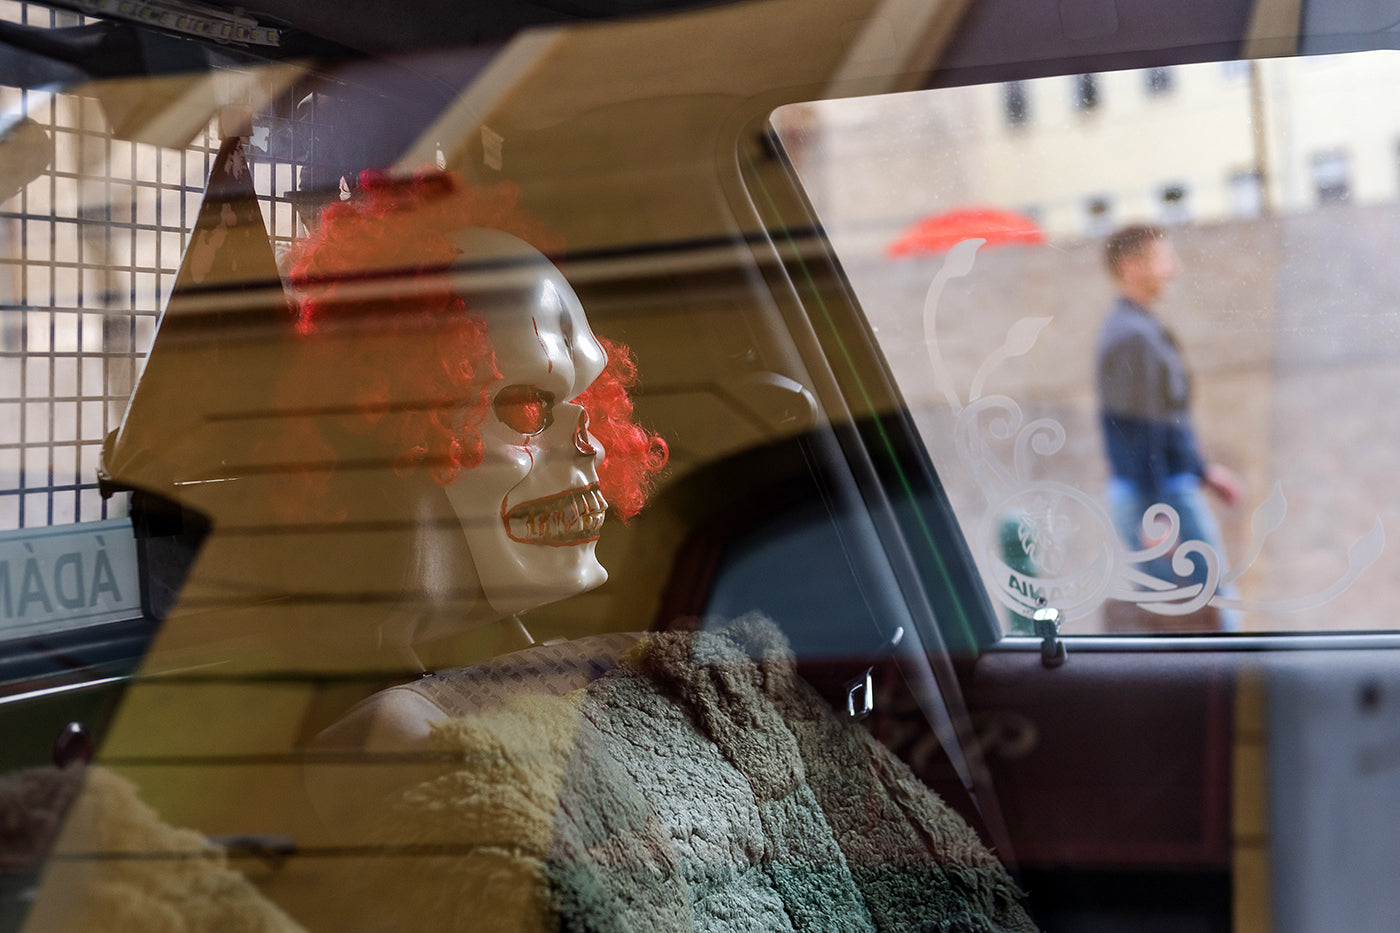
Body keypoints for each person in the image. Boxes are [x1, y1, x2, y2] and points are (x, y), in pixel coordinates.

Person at [1095, 225, 1241, 628]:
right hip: (1159, 499)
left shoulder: (1138, 329)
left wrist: (1202, 470)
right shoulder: (1132, 337)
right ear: (1131, 267)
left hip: (1165, 491)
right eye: (1164, 258)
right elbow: (1132, 431)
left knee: (1195, 619)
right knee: (1208, 621)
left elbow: (1162, 423)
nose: (1173, 268)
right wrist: (1157, 516)